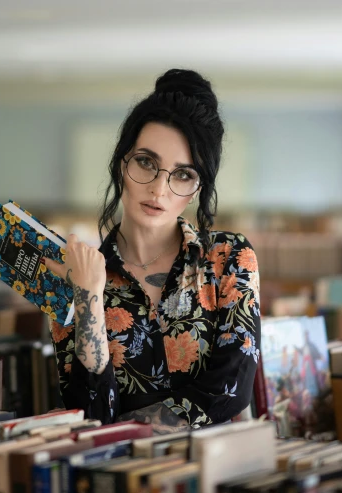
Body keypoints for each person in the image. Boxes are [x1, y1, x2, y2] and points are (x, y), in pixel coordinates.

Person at [42, 69, 260, 432]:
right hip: (118, 477)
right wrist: (89, 297)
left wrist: (132, 430)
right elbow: (89, 412)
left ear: (197, 189)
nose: (160, 188)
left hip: (210, 469)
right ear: (121, 163)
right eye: (146, 162)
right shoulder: (76, 275)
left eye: (183, 174)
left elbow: (231, 389)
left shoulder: (228, 259)